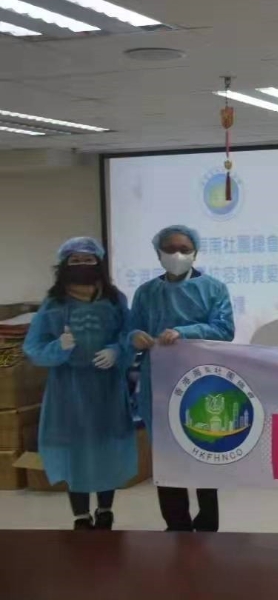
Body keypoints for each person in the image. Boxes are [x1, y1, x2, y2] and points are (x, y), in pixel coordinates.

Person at [23, 237, 137, 530]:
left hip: (107, 388)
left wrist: (117, 351)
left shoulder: (115, 300)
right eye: (75, 260)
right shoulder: (54, 305)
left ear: (99, 263)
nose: (82, 264)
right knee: (75, 452)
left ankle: (105, 510)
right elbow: (33, 347)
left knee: (106, 448)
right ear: (64, 265)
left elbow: (129, 334)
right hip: (68, 390)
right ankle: (81, 515)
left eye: (88, 259)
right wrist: (58, 347)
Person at [128, 225, 234, 532]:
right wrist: (135, 336)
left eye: (184, 249)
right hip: (158, 383)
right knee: (166, 456)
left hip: (200, 381)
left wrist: (184, 332)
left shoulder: (213, 289)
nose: (177, 255)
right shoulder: (146, 293)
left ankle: (208, 522)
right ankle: (175, 524)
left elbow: (224, 329)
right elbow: (131, 329)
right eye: (170, 249)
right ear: (158, 253)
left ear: (195, 253)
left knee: (203, 450)